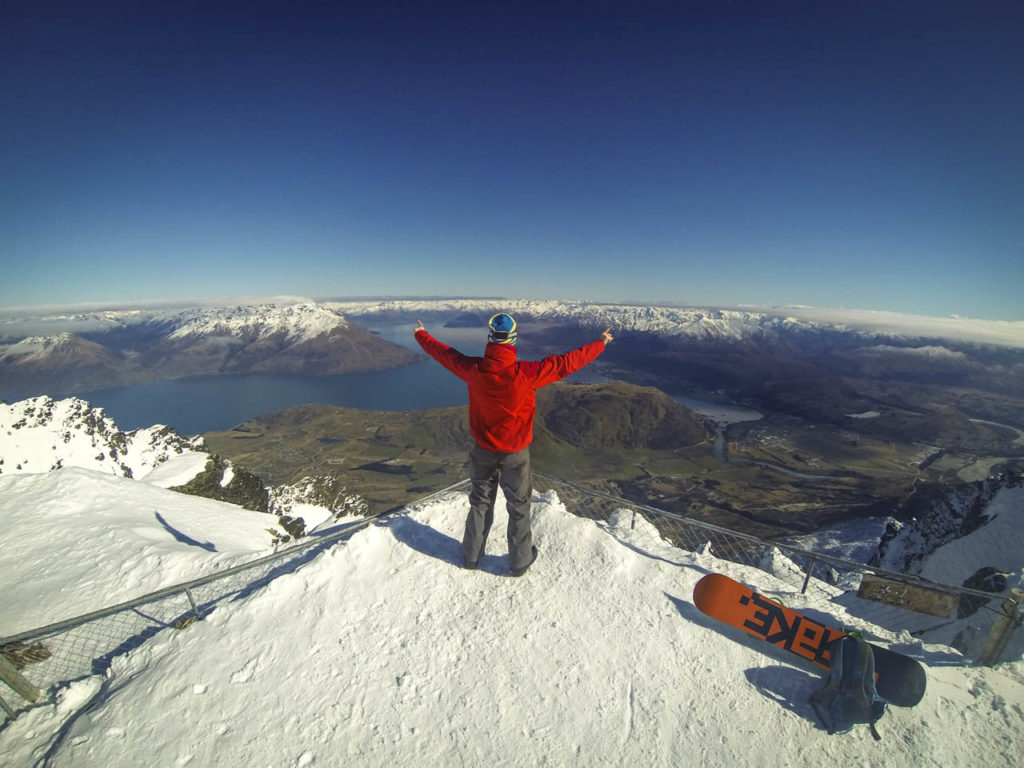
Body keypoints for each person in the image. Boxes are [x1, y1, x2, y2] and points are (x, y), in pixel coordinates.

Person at [414, 313, 613, 576]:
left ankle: (471, 556)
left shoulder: (474, 370)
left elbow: (445, 354)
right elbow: (566, 363)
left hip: (483, 449)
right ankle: (519, 562)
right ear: (512, 339)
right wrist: (600, 343)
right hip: (515, 453)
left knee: (480, 501)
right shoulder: (526, 374)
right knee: (519, 505)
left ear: (490, 338)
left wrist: (421, 335)